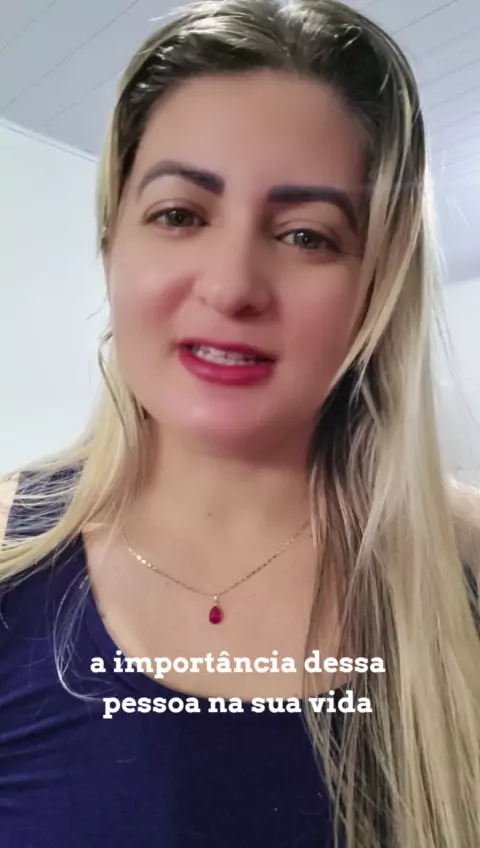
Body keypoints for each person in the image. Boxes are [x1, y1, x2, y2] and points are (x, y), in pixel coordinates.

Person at [0, 0, 479, 845]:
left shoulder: (466, 561)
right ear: (112, 246)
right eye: (180, 215)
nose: (230, 287)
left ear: (378, 281)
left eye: (306, 236)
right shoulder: (10, 553)